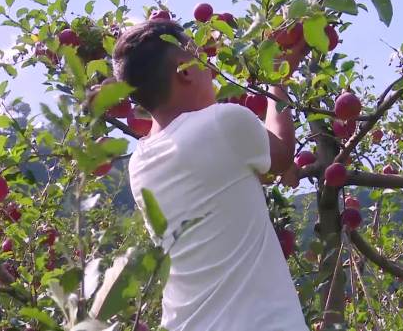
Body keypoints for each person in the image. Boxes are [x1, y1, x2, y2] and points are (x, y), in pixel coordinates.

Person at [112, 19, 309, 331]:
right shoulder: (223, 122)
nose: (213, 70)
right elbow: (283, 154)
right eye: (201, 58)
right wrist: (278, 79)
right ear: (185, 71)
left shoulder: (139, 162)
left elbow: (224, 188)